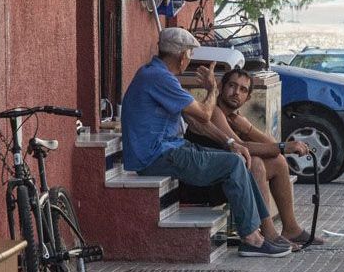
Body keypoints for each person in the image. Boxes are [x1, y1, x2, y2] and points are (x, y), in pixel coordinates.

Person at [120, 27, 291, 258]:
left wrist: (231, 143)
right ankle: (252, 238)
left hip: (168, 150)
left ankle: (263, 234)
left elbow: (195, 122)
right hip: (156, 156)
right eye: (190, 54)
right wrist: (212, 89)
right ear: (182, 55)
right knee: (233, 165)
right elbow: (204, 114)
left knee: (236, 158)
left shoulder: (157, 75)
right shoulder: (158, 78)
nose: (190, 59)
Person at [184, 68, 325, 250]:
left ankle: (291, 229)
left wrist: (248, 128)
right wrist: (284, 146)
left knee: (278, 162)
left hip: (225, 179)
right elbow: (241, 147)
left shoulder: (233, 117)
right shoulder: (215, 112)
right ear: (221, 87)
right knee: (256, 163)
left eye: (243, 90)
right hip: (201, 184)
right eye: (232, 86)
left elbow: (272, 147)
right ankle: (268, 234)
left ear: (248, 98)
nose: (236, 92)